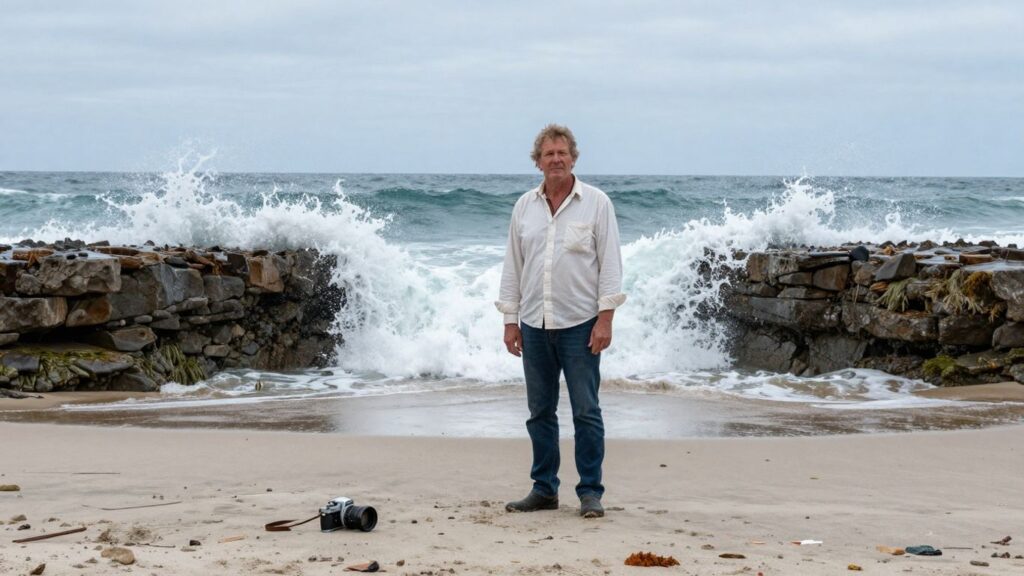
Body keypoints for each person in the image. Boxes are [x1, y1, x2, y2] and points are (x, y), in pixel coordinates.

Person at [495, 124, 626, 519]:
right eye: (549, 154)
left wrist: (605, 320)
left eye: (562, 153)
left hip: (580, 325)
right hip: (534, 325)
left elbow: (611, 266)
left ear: (573, 158)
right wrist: (510, 320)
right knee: (540, 412)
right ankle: (544, 489)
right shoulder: (524, 207)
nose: (556, 159)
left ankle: (590, 492)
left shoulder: (597, 203)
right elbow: (513, 267)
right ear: (538, 162)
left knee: (586, 411)